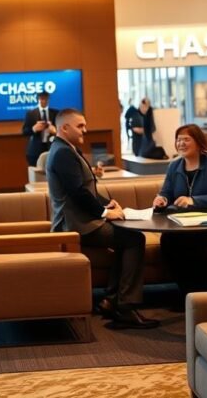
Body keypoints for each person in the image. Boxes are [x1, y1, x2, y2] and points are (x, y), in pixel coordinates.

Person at [47, 108, 158, 330]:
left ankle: (110, 300)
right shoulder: (62, 153)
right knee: (134, 239)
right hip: (75, 226)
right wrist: (105, 213)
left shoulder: (67, 149)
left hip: (82, 220)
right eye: (80, 126)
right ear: (64, 127)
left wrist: (106, 203)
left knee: (127, 237)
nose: (85, 131)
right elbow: (77, 193)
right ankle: (125, 307)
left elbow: (87, 187)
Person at [152, 124, 207, 295]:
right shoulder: (174, 166)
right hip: (187, 221)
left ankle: (200, 294)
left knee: (193, 241)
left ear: (198, 142)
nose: (181, 143)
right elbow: (166, 192)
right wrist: (161, 199)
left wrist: (193, 200)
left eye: (186, 139)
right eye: (178, 139)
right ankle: (186, 293)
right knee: (167, 240)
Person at [22, 91, 57, 166]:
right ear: (38, 99)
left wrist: (55, 131)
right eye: (41, 99)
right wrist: (34, 129)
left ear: (48, 99)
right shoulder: (31, 113)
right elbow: (24, 132)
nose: (43, 101)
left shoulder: (55, 113)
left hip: (52, 147)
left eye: (45, 99)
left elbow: (61, 130)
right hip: (35, 150)